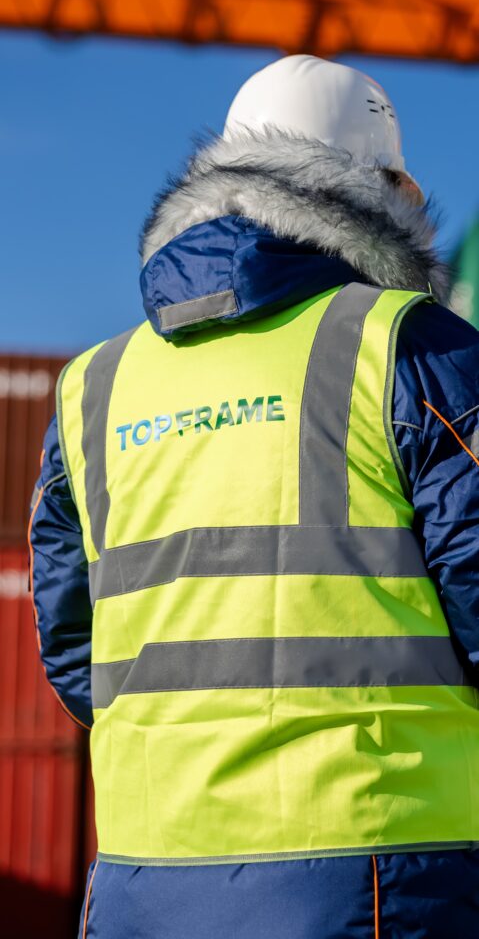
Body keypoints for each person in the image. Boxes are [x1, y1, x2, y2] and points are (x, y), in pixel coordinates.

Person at [29, 55, 479, 939]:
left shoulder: (93, 387)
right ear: (389, 193)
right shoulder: (410, 347)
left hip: (138, 884)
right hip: (382, 874)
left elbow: (73, 650)